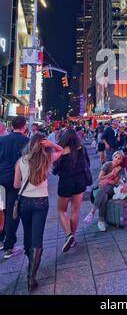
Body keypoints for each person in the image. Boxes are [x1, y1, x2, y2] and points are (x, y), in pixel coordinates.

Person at [14, 134, 63, 292]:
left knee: (27, 234)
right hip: (41, 202)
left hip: (24, 202)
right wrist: (51, 143)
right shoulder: (47, 158)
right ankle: (31, 277)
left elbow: (16, 185)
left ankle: (31, 262)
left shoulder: (21, 161)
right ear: (43, 144)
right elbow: (61, 150)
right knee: (38, 237)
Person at [53, 129, 91, 252]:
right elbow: (88, 163)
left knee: (61, 210)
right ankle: (73, 238)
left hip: (66, 181)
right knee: (75, 209)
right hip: (80, 181)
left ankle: (69, 235)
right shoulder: (81, 148)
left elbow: (55, 170)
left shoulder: (61, 151)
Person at [0, 116, 29, 259]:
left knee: (1, 210)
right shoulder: (26, 141)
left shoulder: (2, 140)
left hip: (1, 180)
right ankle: (9, 246)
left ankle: (1, 239)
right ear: (24, 126)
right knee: (12, 212)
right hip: (15, 181)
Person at [83, 151, 124, 231]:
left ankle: (92, 212)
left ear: (121, 161)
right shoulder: (107, 164)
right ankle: (101, 221)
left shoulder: (120, 169)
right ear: (113, 157)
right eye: (116, 157)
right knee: (104, 196)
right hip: (99, 189)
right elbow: (100, 178)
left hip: (111, 189)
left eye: (119, 158)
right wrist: (111, 174)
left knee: (105, 187)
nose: (116, 159)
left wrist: (107, 181)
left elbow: (115, 182)